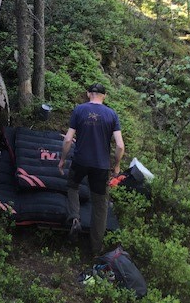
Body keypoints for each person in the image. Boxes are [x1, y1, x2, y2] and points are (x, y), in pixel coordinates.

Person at [58, 82, 125, 256]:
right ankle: (95, 248)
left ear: (88, 94)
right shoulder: (112, 114)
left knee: (73, 186)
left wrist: (62, 159)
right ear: (105, 96)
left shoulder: (79, 110)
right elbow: (120, 145)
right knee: (100, 205)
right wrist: (116, 165)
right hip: (101, 166)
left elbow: (68, 139)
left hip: (80, 161)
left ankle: (74, 218)